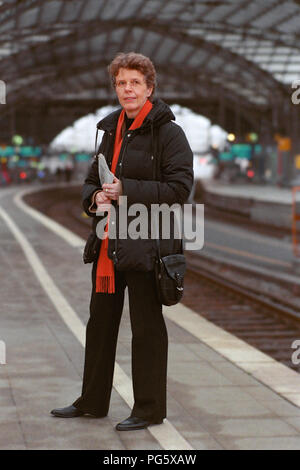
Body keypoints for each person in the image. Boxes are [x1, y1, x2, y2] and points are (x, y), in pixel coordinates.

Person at [50, 52, 193, 431]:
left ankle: (148, 409)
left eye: (134, 82)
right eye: (120, 83)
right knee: (99, 325)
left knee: (146, 327)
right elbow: (90, 180)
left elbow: (180, 189)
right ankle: (93, 400)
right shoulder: (111, 129)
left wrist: (126, 189)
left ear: (149, 88)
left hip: (148, 245)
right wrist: (93, 198)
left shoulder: (168, 133)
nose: (127, 89)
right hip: (110, 244)